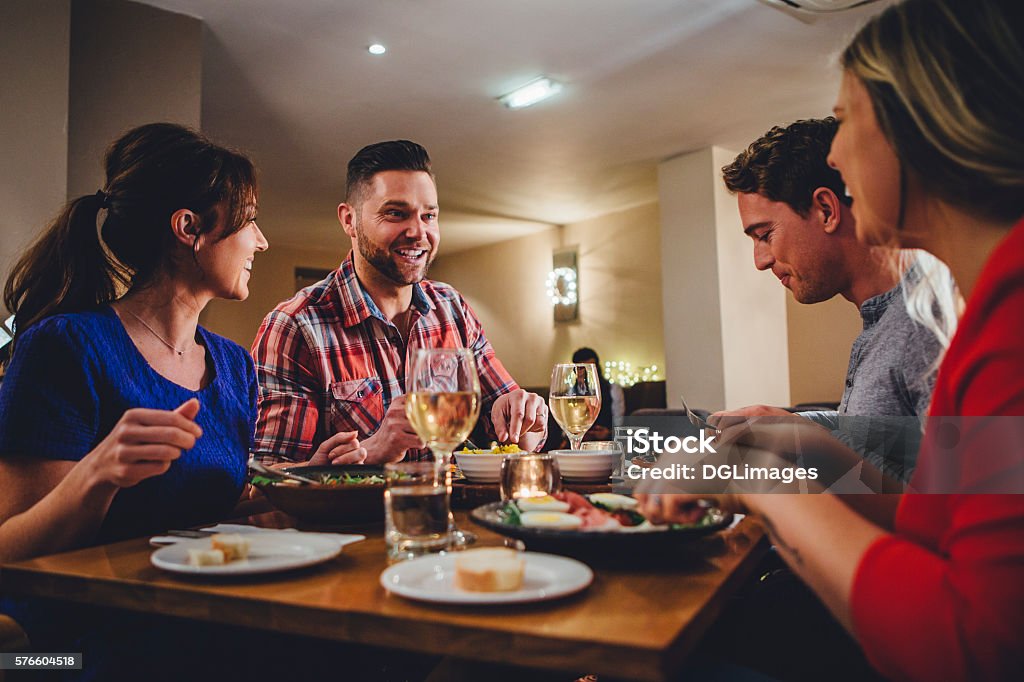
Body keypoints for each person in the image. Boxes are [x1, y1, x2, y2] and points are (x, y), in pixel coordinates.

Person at [640, 1, 1024, 679]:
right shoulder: (986, 310)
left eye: (846, 120)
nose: (837, 155)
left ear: (921, 130)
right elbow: (933, 518)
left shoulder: (1007, 319)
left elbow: (979, 652)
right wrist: (792, 440)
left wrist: (759, 479)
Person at [0, 122, 287, 676]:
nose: (261, 240)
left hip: (198, 620)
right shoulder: (66, 346)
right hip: (64, 648)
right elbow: (9, 554)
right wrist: (99, 472)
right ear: (190, 228)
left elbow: (195, 509)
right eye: (250, 220)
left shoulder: (232, 365)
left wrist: (303, 486)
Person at [252, 140, 547, 465]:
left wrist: (525, 420)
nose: (418, 231)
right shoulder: (295, 324)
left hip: (452, 515)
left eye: (429, 215)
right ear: (349, 220)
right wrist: (373, 451)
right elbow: (267, 478)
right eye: (396, 213)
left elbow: (513, 423)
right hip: (358, 518)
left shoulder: (453, 309)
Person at [720, 118, 956, 482]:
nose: (760, 260)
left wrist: (768, 482)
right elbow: (886, 440)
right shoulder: (882, 321)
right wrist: (791, 423)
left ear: (827, 210)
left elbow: (954, 508)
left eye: (765, 235)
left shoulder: (928, 321)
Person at [571, 347, 624, 440]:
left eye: (590, 368)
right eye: (581, 368)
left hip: (605, 442)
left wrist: (608, 433)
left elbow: (619, 424)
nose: (586, 373)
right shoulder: (568, 394)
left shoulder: (613, 389)